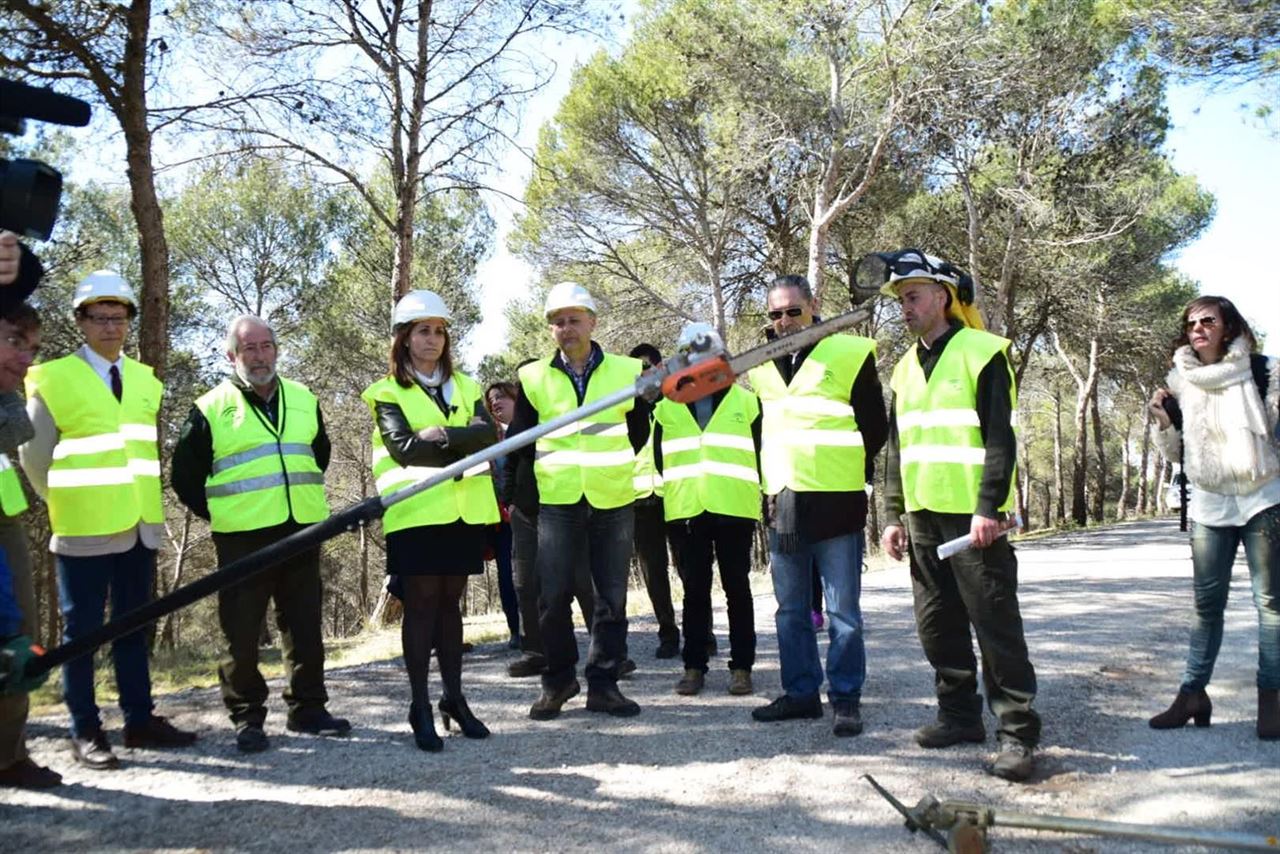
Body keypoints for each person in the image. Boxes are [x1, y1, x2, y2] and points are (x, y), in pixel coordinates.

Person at [21, 270, 197, 770]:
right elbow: (36, 459)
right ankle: (84, 729)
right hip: (84, 526)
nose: (110, 327)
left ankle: (139, 720)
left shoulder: (144, 379)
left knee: (134, 624)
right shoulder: (54, 377)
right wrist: (66, 503)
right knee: (82, 631)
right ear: (80, 321)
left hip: (140, 523)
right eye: (98, 317)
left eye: (118, 317)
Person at [876, 249, 1041, 782]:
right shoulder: (902, 368)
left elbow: (1000, 439)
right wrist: (893, 513)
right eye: (901, 299)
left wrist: (990, 507)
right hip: (922, 515)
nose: (905, 306)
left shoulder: (982, 351)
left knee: (994, 624)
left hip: (974, 519)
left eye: (913, 296)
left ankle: (1017, 731)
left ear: (942, 297)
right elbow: (897, 450)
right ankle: (959, 716)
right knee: (936, 626)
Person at [171, 315, 348, 752]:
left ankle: (308, 709)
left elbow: (317, 455)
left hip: (301, 528)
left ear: (276, 350)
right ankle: (247, 717)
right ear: (232, 356)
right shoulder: (210, 407)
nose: (260, 355)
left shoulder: (304, 398)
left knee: (304, 624)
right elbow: (184, 476)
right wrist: (224, 512)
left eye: (266, 345)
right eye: (249, 348)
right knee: (242, 632)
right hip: (242, 536)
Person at [746, 274, 887, 738]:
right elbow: (761, 429)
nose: (784, 322)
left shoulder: (849, 353)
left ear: (813, 307)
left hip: (836, 500)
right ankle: (801, 693)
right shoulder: (759, 365)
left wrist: (846, 471)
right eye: (775, 314)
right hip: (782, 502)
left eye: (793, 311)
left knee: (843, 611)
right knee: (790, 609)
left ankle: (845, 699)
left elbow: (875, 427)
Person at [362, 290, 499, 751]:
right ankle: (419, 704)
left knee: (450, 607)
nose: (433, 339)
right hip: (417, 512)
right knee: (420, 607)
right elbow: (404, 448)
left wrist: (441, 433)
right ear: (403, 338)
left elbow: (488, 435)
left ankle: (454, 700)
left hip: (462, 510)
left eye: (439, 331)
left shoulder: (468, 386)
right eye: (423, 331)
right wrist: (461, 440)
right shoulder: (386, 392)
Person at [507, 281, 650, 719]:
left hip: (611, 496)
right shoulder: (532, 377)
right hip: (558, 500)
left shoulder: (627, 371)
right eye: (558, 322)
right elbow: (521, 442)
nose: (566, 328)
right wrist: (522, 498)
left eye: (574, 319)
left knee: (611, 596)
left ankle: (604, 684)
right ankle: (559, 680)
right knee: (551, 596)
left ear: (593, 321)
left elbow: (640, 429)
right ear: (550, 330)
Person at [1148, 296, 1280, 740]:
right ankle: (1192, 695)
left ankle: (1271, 701)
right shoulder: (1179, 382)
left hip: (1263, 497)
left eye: (1209, 321)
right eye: (1191, 323)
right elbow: (1176, 454)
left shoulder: (1264, 372)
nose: (1199, 328)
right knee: (1207, 607)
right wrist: (1164, 424)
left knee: (1271, 605)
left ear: (1228, 327)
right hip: (1209, 503)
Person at [653, 325, 762, 696]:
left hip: (734, 506)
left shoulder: (747, 402)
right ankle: (693, 666)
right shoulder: (665, 408)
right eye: (691, 354)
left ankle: (742, 667)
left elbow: (761, 452)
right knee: (694, 592)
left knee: (737, 589)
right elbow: (658, 459)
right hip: (687, 510)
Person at [499, 371, 598, 680]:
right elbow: (514, 459)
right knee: (525, 583)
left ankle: (605, 652)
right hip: (525, 512)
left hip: (564, 506)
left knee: (582, 579)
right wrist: (510, 499)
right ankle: (536, 652)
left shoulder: (565, 412)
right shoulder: (519, 423)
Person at [0, 301, 60, 788]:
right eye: (13, 342)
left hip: (4, 518)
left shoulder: (7, 402)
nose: (25, 360)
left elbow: (17, 433)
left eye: (32, 348)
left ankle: (8, 755)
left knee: (22, 637)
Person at [629, 343, 681, 659]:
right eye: (637, 369)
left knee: (689, 567)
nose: (644, 373)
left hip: (676, 495)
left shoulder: (677, 401)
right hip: (638, 502)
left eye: (649, 366)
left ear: (661, 367)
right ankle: (668, 632)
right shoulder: (623, 408)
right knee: (654, 572)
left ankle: (702, 631)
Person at [483, 382, 522, 650]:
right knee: (507, 577)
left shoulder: (531, 429)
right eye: (491, 400)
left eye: (501, 397)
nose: (495, 402)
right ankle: (516, 631)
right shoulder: (487, 438)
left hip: (534, 514)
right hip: (501, 521)